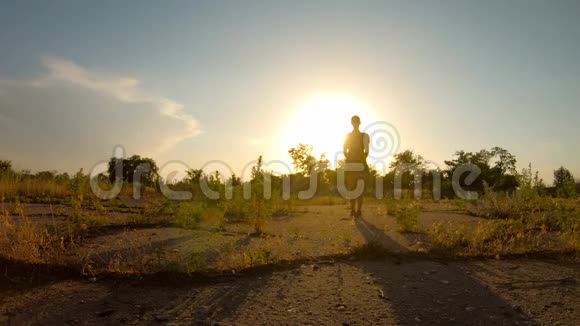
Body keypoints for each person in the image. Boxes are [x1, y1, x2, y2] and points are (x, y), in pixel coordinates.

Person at [343, 115, 370, 218]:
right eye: (353, 121)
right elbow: (344, 149)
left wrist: (361, 159)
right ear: (352, 123)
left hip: (360, 164)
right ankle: (353, 210)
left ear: (359, 122)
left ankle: (359, 211)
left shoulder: (364, 135)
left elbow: (367, 150)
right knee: (351, 188)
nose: (355, 123)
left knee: (360, 188)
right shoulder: (347, 136)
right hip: (351, 164)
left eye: (356, 121)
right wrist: (350, 159)